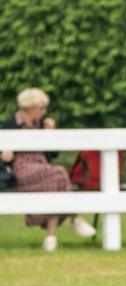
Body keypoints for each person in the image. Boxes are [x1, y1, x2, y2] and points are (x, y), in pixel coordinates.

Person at [1, 88, 96, 251]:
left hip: (43, 165)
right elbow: (5, 158)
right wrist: (5, 154)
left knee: (55, 183)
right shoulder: (9, 125)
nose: (44, 111)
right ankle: (74, 218)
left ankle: (51, 238)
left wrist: (50, 134)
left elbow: (53, 153)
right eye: (41, 108)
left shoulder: (42, 125)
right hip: (22, 168)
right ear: (29, 108)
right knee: (58, 173)